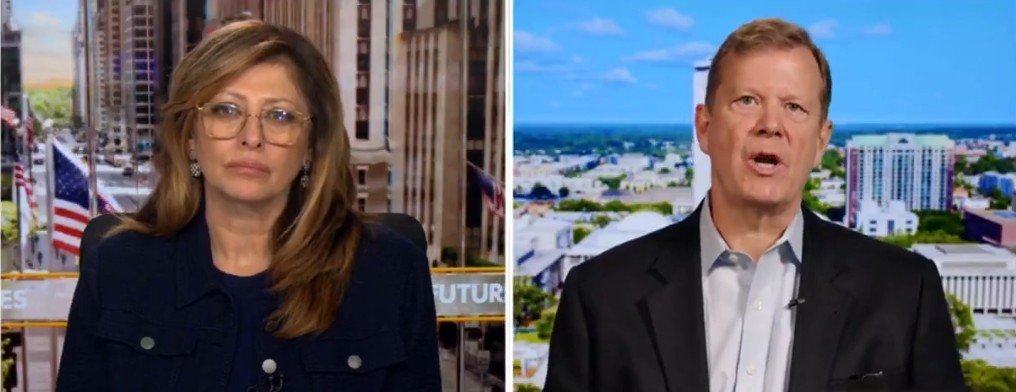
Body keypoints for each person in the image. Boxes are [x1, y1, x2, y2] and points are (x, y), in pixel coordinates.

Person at [545, 18, 964, 392]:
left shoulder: (904, 291)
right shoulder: (600, 296)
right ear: (704, 127)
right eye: (747, 100)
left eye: (794, 107)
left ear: (821, 142)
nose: (770, 125)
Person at [56, 20, 440, 391]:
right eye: (226, 110)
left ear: (311, 146)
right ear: (189, 137)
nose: (252, 137)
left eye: (280, 116)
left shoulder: (389, 271)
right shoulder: (119, 267)